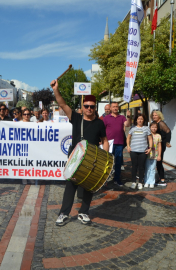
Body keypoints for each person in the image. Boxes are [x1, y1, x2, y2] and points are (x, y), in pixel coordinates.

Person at [51, 79, 109, 226]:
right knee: (70, 186)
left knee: (89, 186)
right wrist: (56, 90)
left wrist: (105, 157)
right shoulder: (76, 118)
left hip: (93, 159)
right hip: (76, 158)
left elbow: (105, 140)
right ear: (82, 107)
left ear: (95, 108)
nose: (89, 108)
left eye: (91, 106)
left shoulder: (99, 123)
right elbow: (62, 104)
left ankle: (83, 212)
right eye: (86, 106)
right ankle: (64, 213)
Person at [103, 102, 131, 186]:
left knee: (118, 162)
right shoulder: (106, 118)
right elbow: (102, 130)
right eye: (114, 107)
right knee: (108, 162)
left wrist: (129, 116)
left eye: (116, 107)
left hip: (119, 143)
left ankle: (117, 179)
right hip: (109, 144)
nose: (115, 108)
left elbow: (128, 124)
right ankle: (105, 180)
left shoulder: (122, 117)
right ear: (111, 108)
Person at [126, 114, 152, 190]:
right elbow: (128, 138)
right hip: (133, 150)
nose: (140, 120)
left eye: (141, 119)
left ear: (143, 120)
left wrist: (150, 148)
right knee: (134, 166)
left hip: (143, 151)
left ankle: (140, 182)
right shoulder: (132, 128)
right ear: (136, 120)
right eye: (138, 119)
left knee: (141, 167)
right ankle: (134, 182)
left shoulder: (146, 128)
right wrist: (128, 146)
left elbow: (150, 139)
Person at [151, 110, 171, 186]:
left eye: (156, 115)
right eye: (153, 115)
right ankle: (159, 178)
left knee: (159, 162)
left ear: (159, 116)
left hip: (161, 145)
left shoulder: (161, 123)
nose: (154, 116)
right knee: (156, 162)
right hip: (156, 145)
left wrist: (167, 142)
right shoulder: (156, 123)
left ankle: (162, 180)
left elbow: (168, 131)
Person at [144, 122, 162, 188]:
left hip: (155, 155)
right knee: (147, 168)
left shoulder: (158, 136)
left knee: (153, 169)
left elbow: (159, 146)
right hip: (148, 154)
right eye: (152, 127)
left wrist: (159, 155)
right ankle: (146, 181)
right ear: (150, 127)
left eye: (155, 127)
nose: (154, 128)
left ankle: (152, 182)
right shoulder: (147, 135)